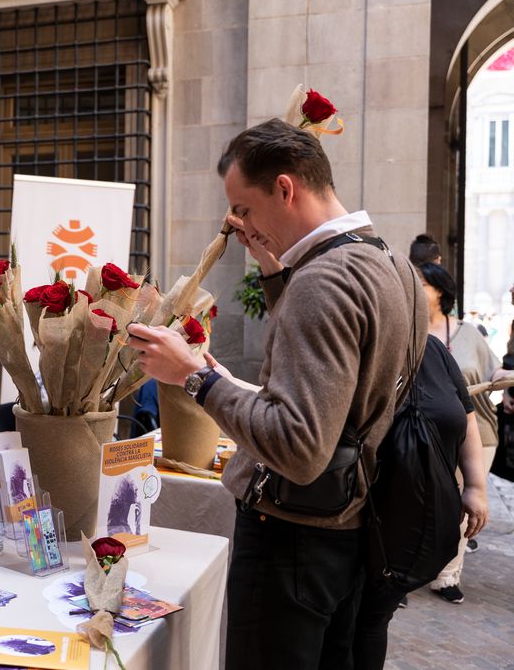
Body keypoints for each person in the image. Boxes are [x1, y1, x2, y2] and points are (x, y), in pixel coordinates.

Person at [126, 118, 425, 669]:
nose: (238, 221)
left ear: (285, 188)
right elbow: (345, 385)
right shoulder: (393, 265)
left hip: (292, 538)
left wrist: (196, 376)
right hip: (350, 527)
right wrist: (272, 265)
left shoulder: (325, 281)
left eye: (243, 207)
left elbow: (299, 445)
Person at [350, 334, 489, 668]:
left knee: (373, 618)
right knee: (353, 618)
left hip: (414, 518)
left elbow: (466, 415)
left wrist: (475, 486)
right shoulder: (361, 334)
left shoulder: (432, 348)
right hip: (356, 515)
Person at [417, 262, 512, 601]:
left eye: (422, 283)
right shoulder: (409, 332)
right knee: (420, 501)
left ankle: (446, 576)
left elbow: (496, 369)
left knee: (460, 504)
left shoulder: (469, 333)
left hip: (478, 431)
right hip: (425, 434)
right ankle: (408, 570)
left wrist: (508, 386)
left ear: (440, 291)